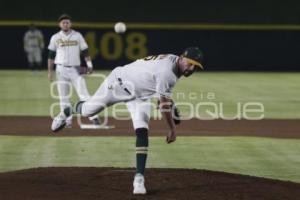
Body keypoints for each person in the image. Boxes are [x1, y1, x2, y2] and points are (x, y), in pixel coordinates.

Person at [51, 47, 204, 194]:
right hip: (117, 84)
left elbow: (160, 93)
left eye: (194, 66)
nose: (191, 68)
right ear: (182, 57)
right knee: (88, 110)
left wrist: (169, 103)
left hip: (140, 96)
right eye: (189, 63)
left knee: (142, 130)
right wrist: (172, 129)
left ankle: (139, 179)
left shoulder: (174, 61)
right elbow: (163, 102)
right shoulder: (168, 72)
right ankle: (67, 111)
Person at [48, 14, 100, 128]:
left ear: (70, 24)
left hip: (76, 69)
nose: (65, 24)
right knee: (63, 97)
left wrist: (89, 65)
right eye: (63, 22)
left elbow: (85, 52)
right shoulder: (55, 37)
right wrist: (49, 72)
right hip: (60, 69)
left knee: (84, 93)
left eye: (67, 22)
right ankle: (67, 121)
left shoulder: (77, 36)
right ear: (59, 24)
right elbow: (51, 56)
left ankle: (94, 117)